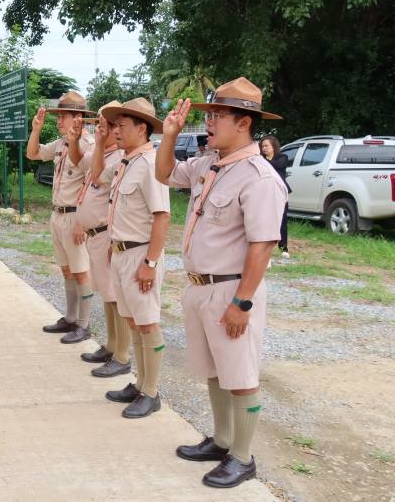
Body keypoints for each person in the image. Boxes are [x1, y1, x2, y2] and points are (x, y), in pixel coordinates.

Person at [156, 77, 287, 489]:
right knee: (214, 370)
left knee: (241, 375)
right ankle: (222, 440)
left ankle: (242, 458)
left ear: (244, 123)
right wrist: (170, 134)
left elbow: (262, 245)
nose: (209, 122)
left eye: (217, 115)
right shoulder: (209, 164)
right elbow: (164, 173)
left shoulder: (259, 178)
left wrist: (242, 303)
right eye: (208, 114)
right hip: (200, 287)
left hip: (231, 289)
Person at [99, 98, 170, 419]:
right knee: (133, 321)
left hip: (141, 253)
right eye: (115, 126)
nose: (116, 131)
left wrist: (150, 263)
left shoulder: (151, 165)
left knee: (148, 323)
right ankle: (140, 384)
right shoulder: (127, 162)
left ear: (142, 129)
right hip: (121, 253)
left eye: (122, 126)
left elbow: (162, 216)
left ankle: (151, 392)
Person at [26, 91, 96, 344]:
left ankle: (84, 324)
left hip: (75, 216)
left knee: (81, 271)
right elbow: (33, 154)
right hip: (57, 214)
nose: (58, 121)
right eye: (58, 117)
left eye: (63, 116)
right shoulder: (60, 144)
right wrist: (36, 130)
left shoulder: (89, 146)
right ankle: (71, 318)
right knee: (67, 270)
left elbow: (91, 187)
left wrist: (81, 222)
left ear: (78, 118)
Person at [73, 101, 133, 377]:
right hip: (95, 236)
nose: (99, 128)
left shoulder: (121, 157)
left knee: (116, 298)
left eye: (103, 124)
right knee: (107, 296)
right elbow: (88, 169)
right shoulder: (103, 154)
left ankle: (122, 355)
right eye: (98, 123)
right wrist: (95, 144)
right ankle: (111, 345)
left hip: (107, 234)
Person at [259, 135, 290, 258]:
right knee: (264, 218)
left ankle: (284, 247)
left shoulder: (282, 157)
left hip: (280, 192)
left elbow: (277, 165)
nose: (264, 148)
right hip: (264, 192)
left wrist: (262, 160)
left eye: (266, 146)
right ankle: (264, 246)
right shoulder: (260, 159)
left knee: (282, 219)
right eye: (262, 146)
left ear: (273, 146)